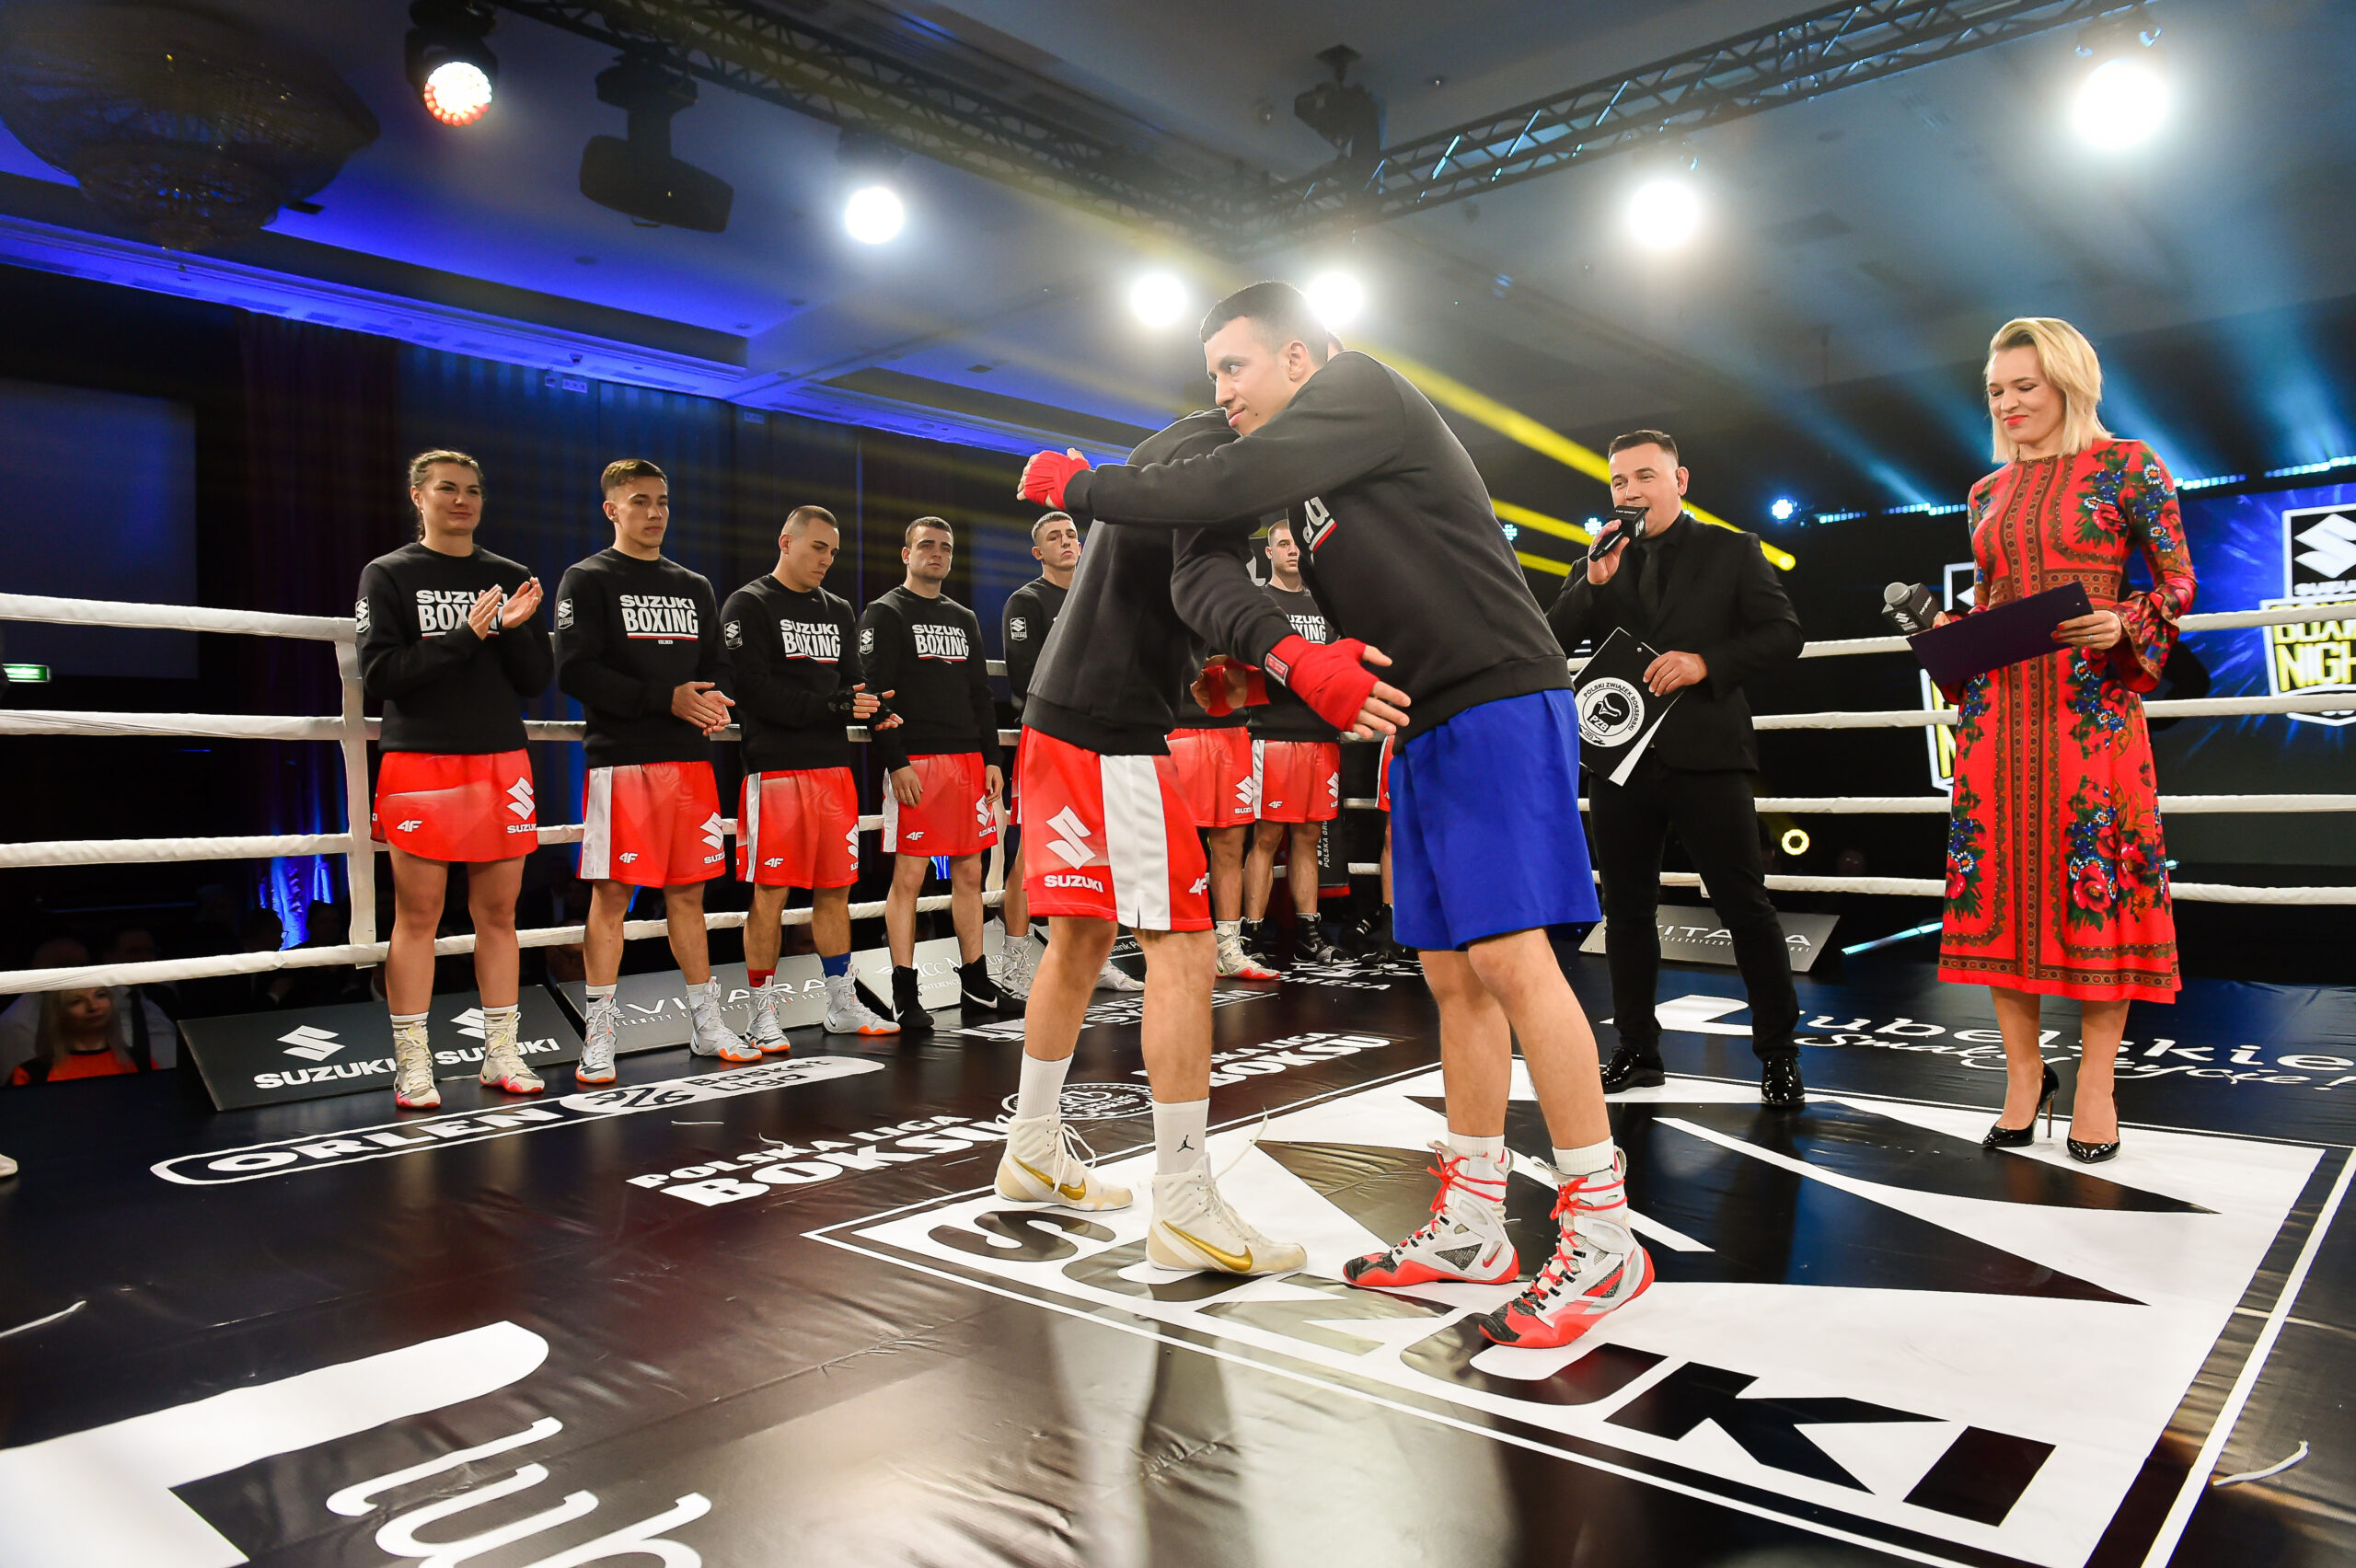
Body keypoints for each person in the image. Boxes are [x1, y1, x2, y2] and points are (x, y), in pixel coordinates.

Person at [1022, 280, 1647, 1349]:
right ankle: (1473, 1220)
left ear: (1299, 356)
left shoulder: (1362, 390)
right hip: (1420, 718)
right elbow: (1203, 565)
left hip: (1496, 692)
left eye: (1234, 365)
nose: (1221, 390)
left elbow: (1224, 479)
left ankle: (1602, 1234)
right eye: (1210, 372)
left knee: (1511, 959)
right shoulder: (1294, 470)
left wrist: (1087, 488)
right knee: (1451, 975)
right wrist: (1283, 655)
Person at [997, 406, 1331, 1276]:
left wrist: (1203, 668)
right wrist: (1284, 650)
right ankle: (1182, 1200)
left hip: (1064, 714)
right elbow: (1196, 577)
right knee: (1184, 948)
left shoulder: (1173, 444)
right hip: (1111, 732)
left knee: (1080, 937)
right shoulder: (1225, 459)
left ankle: (1030, 1145)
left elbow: (1153, 576)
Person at [1938, 317, 2193, 1165]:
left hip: (2092, 714)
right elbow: (1991, 603)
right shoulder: (1984, 491)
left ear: (2068, 383)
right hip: (1997, 719)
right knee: (1999, 893)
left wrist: (2122, 621)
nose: (2007, 403)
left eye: (2025, 386)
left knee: (2098, 893)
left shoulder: (2130, 465)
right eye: (1996, 390)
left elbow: (2179, 580)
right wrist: (1952, 632)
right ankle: (2023, 1078)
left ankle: (2096, 1087)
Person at [1546, 430, 1808, 1109]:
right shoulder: (1600, 559)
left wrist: (1705, 663)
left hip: (1707, 753)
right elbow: (1547, 640)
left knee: (1743, 905)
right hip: (1621, 759)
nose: (1630, 492)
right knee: (1626, 911)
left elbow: (1784, 633)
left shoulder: (1732, 549)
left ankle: (1779, 1054)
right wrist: (1590, 584)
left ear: (1679, 480)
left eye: (1644, 476)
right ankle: (1637, 1048)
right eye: (1619, 482)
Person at [358, 450, 553, 1110]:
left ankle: (502, 1053)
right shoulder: (388, 573)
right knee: (418, 915)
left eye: (472, 489)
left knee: (499, 914)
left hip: (499, 758)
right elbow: (382, 675)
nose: (462, 499)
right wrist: (469, 633)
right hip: (421, 760)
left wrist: (512, 631)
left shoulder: (509, 576)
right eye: (447, 488)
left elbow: (535, 679)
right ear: (418, 496)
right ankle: (413, 1063)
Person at [555, 458, 757, 1085]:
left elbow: (719, 664)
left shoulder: (693, 585)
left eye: (662, 501)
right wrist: (663, 698)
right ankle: (599, 1033)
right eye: (640, 501)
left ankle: (707, 1022)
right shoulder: (586, 579)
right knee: (613, 894)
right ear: (612, 509)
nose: (654, 512)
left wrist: (712, 699)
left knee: (689, 894)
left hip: (688, 763)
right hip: (623, 759)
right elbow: (574, 670)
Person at [719, 504, 900, 1045]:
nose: (827, 559)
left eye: (834, 552)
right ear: (786, 541)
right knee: (770, 894)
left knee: (835, 891)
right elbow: (751, 690)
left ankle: (841, 1003)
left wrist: (872, 707)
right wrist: (832, 707)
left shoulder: (839, 609)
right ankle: (761, 1014)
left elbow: (853, 683)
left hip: (833, 770)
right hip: (776, 768)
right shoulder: (749, 603)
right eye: (818, 547)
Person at [858, 517, 1022, 1034]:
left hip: (968, 762)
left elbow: (980, 693)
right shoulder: (885, 612)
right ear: (906, 553)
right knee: (909, 878)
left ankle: (975, 983)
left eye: (945, 547)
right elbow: (875, 695)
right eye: (926, 545)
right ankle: (905, 993)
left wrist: (993, 759)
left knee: (970, 873)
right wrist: (896, 762)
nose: (937, 553)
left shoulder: (962, 617)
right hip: (918, 762)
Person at [998, 512, 1143, 999]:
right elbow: (1025, 679)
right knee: (1032, 851)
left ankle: (1095, 960)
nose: (1066, 542)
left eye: (1071, 535)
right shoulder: (1027, 602)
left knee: (1101, 849)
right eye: (1054, 537)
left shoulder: (1101, 597)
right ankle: (1015, 964)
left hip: (1103, 738)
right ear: (1037, 552)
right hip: (1051, 739)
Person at [1240, 518, 1346, 965]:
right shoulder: (1259, 602)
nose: (1291, 551)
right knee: (1266, 835)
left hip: (1321, 733)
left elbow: (1340, 662)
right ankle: (1251, 935)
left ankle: (1308, 932)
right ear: (1268, 552)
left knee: (1309, 834)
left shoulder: (1324, 602)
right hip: (1275, 733)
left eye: (1295, 544)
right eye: (1282, 544)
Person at [1166, 652, 1278, 980]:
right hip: (1178, 728)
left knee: (1231, 844)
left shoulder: (1232, 619)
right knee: (1176, 846)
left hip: (1233, 731)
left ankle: (1228, 947)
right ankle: (1174, 945)